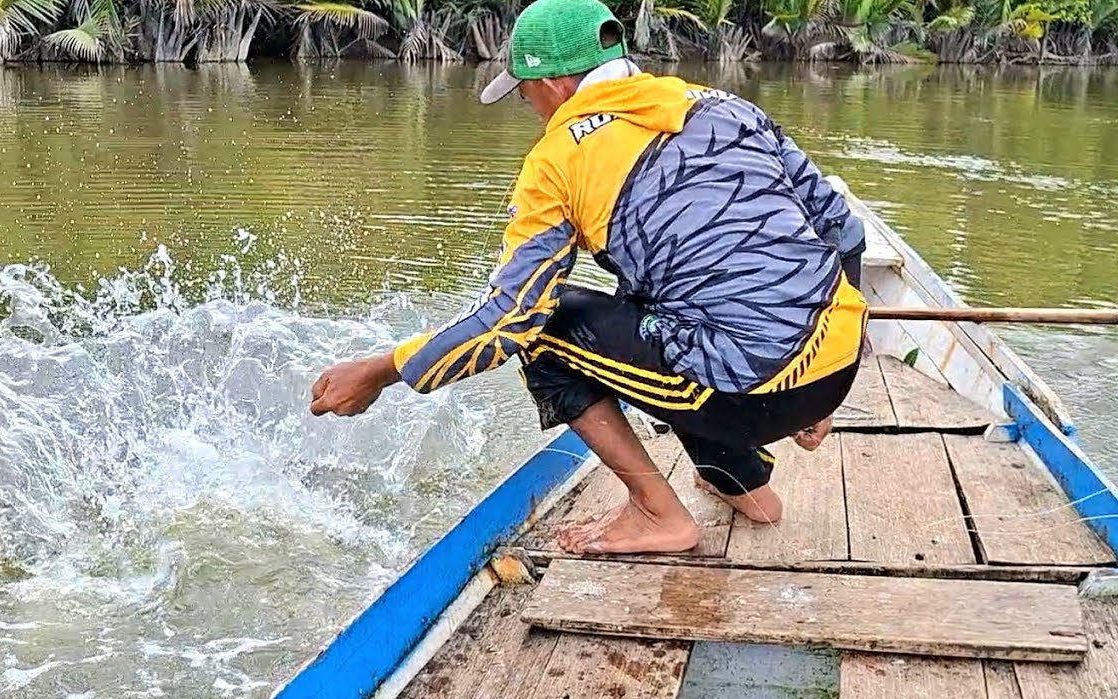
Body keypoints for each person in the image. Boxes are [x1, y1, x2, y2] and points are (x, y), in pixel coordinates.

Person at [309, 0, 869, 555]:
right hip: (836, 368)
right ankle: (744, 486)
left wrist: (382, 370)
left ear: (552, 82)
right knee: (663, 311)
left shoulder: (557, 161)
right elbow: (844, 233)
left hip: (756, 393)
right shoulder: (723, 106)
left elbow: (508, 322)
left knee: (546, 332)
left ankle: (657, 514)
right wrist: (829, 383)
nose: (529, 106)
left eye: (524, 91)